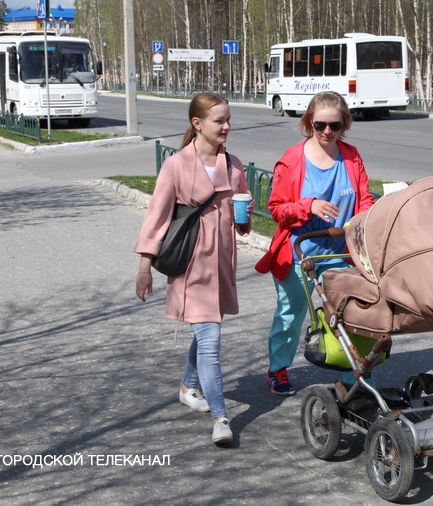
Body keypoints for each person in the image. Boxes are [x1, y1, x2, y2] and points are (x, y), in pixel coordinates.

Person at [134, 92, 253, 446]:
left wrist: (243, 219)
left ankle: (188, 386)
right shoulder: (176, 165)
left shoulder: (234, 165)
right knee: (211, 341)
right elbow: (156, 219)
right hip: (191, 266)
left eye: (229, 119)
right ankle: (221, 417)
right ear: (197, 124)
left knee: (205, 333)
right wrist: (144, 268)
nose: (227, 126)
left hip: (221, 265)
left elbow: (241, 216)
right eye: (220, 121)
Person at [255, 91, 375, 395]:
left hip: (341, 255)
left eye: (334, 126)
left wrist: (360, 220)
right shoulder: (292, 160)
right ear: (309, 121)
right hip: (300, 254)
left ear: (344, 124)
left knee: (350, 314)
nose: (327, 132)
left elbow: (364, 199)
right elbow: (276, 208)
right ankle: (278, 369)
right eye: (320, 124)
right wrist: (308, 206)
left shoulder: (351, 156)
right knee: (290, 315)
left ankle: (352, 375)